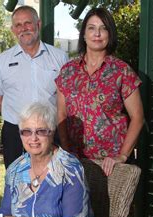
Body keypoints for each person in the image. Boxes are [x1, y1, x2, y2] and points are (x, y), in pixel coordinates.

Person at [55, 8, 144, 176]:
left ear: (110, 34)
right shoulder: (67, 71)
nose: (97, 33)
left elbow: (138, 117)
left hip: (110, 166)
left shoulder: (122, 71)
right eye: (91, 28)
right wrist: (67, 152)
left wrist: (122, 156)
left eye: (103, 28)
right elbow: (61, 114)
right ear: (83, 34)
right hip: (76, 162)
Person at [0, 5, 69, 168]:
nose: (23, 28)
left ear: (38, 24)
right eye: (18, 25)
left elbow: (67, 98)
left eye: (28, 23)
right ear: (13, 30)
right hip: (15, 133)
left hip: (51, 130)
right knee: (16, 181)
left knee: (54, 180)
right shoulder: (2, 61)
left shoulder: (60, 57)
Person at [0, 102, 93, 217]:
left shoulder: (70, 169)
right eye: (27, 131)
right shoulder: (15, 169)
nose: (33, 138)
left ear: (52, 132)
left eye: (41, 131)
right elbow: (5, 216)